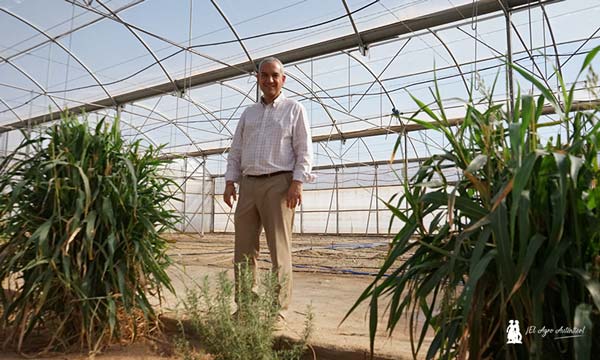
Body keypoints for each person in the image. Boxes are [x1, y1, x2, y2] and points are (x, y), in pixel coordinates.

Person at [223, 57, 314, 322]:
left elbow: (304, 149)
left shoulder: (294, 109)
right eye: (264, 75)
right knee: (243, 250)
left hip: (280, 184)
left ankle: (278, 311)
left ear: (283, 79)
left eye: (275, 75)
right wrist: (230, 181)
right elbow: (236, 151)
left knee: (279, 250)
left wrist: (297, 183)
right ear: (258, 79)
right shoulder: (248, 113)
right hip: (249, 185)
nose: (269, 80)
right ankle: (245, 309)